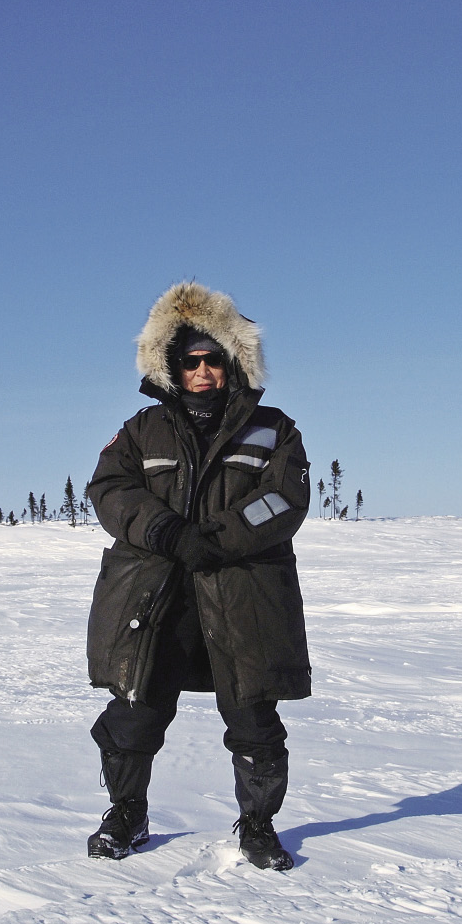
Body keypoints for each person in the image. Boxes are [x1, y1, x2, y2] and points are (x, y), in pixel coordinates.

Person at [85, 280, 311, 872]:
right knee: (134, 712)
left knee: (254, 718)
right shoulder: (141, 431)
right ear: (171, 365)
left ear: (233, 361)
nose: (204, 370)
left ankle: (258, 824)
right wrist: (165, 532)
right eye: (191, 360)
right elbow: (109, 490)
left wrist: (218, 540)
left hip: (241, 595)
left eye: (214, 358)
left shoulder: (274, 430)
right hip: (155, 600)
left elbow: (284, 499)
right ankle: (126, 812)